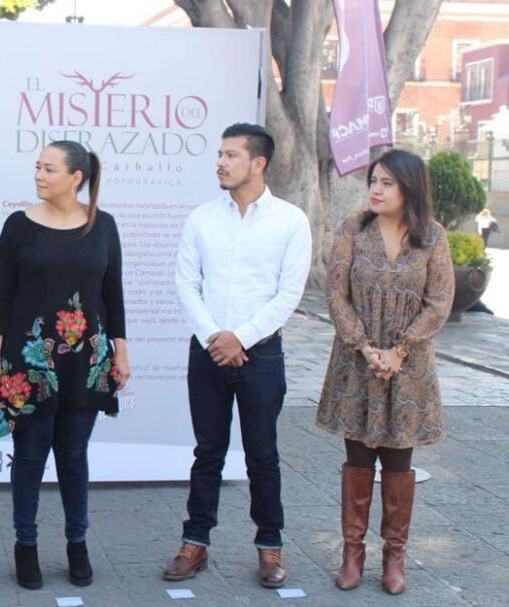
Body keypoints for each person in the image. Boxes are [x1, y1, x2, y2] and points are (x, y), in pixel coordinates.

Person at [166, 123, 312, 588]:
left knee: (262, 455)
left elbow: (289, 294)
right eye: (220, 154)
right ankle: (195, 543)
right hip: (207, 352)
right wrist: (216, 337)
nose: (221, 163)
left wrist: (241, 339)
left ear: (258, 163)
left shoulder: (290, 221)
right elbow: (187, 285)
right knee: (207, 452)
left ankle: (270, 549)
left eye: (231, 155)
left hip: (262, 356)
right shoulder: (201, 218)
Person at [0, 140, 129, 590]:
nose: (39, 175)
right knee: (29, 455)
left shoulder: (102, 225)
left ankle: (77, 543)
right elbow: (1, 293)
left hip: (87, 358)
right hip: (28, 360)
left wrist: (120, 351)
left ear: (75, 178)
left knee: (73, 454)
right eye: (37, 167)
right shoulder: (18, 226)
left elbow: (113, 293)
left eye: (49, 168)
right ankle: (25, 545)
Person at [316, 149, 454, 595]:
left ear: (409, 188)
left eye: (387, 183)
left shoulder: (432, 236)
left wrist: (401, 350)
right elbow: (337, 294)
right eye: (373, 180)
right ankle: (352, 552)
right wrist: (366, 347)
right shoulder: (354, 230)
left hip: (408, 370)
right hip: (357, 364)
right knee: (358, 460)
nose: (375, 189)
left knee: (398, 461)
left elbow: (440, 302)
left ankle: (394, 556)